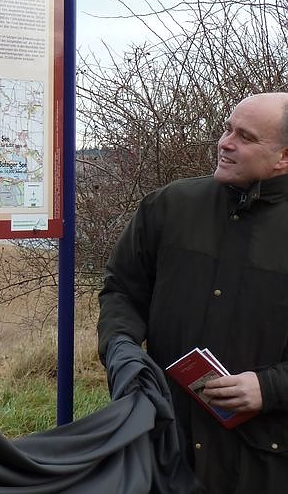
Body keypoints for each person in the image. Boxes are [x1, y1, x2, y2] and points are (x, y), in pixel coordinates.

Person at [98, 92, 288, 493]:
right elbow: (122, 290)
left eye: (246, 137)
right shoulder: (170, 205)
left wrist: (271, 388)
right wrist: (121, 350)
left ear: (283, 157)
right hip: (166, 445)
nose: (225, 143)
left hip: (263, 460)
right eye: (227, 129)